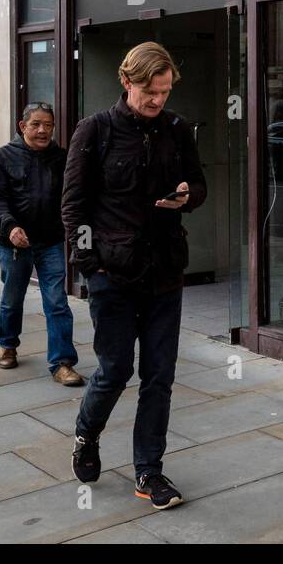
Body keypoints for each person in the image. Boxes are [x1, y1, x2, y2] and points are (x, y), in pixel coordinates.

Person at [63, 42, 207, 510]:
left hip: (165, 271)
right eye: (149, 90)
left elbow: (199, 185)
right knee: (115, 370)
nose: (157, 100)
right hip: (113, 274)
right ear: (127, 82)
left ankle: (149, 472)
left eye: (164, 91)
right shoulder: (95, 131)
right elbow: (74, 209)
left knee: (159, 376)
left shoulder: (178, 130)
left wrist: (188, 195)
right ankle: (87, 434)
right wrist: (91, 267)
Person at [0, 101, 81, 385]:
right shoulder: (3, 157)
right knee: (13, 300)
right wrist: (10, 226)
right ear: (22, 126)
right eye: (36, 124)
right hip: (15, 244)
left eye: (48, 125)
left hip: (50, 240)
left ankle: (62, 363)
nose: (42, 130)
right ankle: (8, 344)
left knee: (57, 301)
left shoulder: (61, 158)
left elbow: (73, 195)